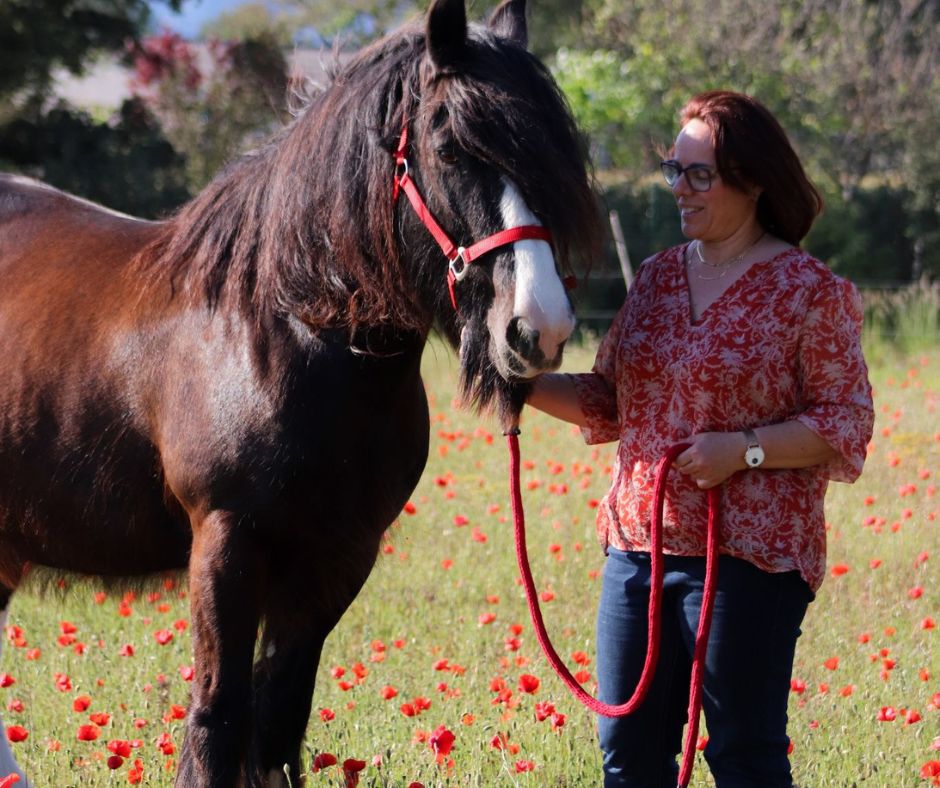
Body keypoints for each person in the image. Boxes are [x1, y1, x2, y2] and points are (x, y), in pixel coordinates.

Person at [527, 90, 874, 787]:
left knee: (742, 754)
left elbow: (845, 423)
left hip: (749, 557)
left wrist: (743, 449)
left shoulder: (810, 292)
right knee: (626, 751)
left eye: (698, 174)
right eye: (672, 170)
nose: (679, 189)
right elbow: (609, 400)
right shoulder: (656, 278)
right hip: (636, 550)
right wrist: (521, 382)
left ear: (752, 181)